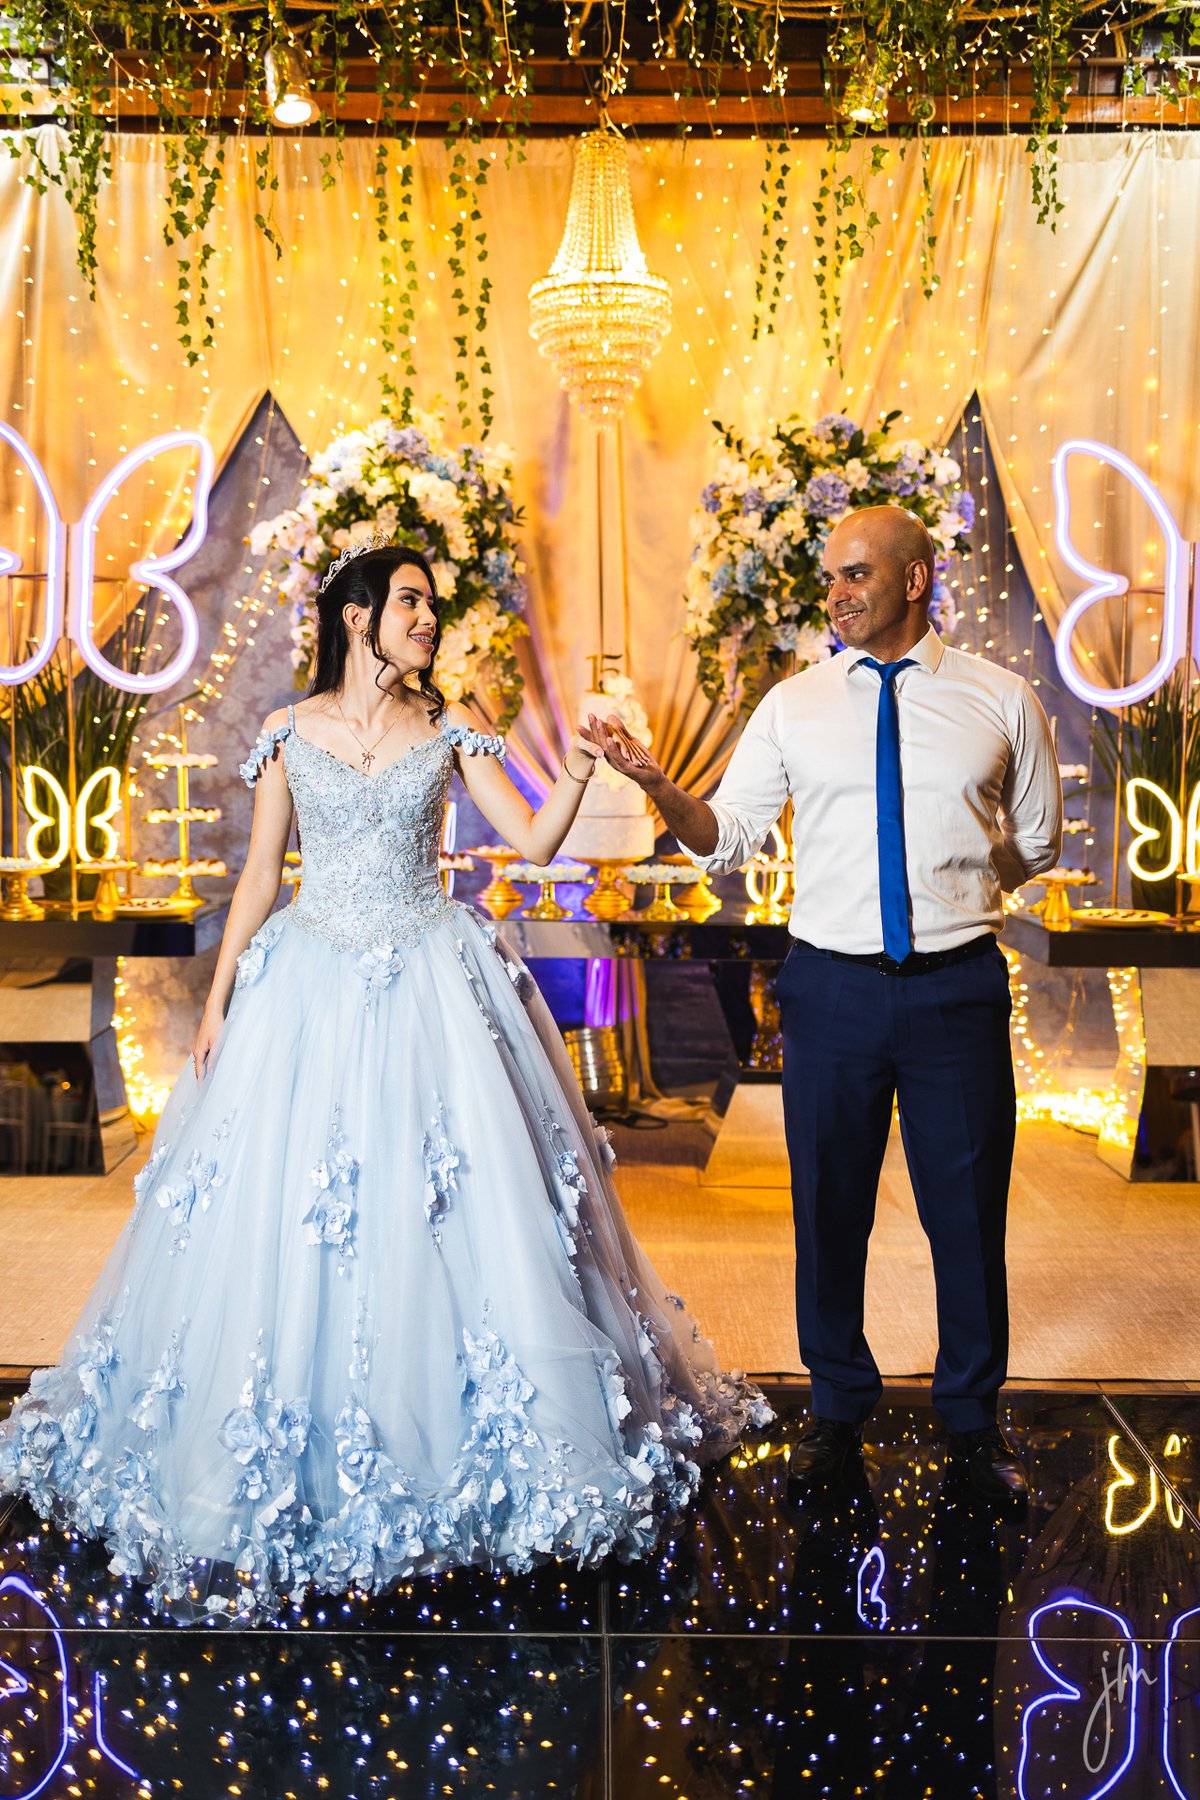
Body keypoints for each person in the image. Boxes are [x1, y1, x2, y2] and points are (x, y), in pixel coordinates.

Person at [0, 539, 770, 1622]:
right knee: (289, 1214)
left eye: (432, 606)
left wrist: (585, 766)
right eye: (412, 602)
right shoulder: (288, 732)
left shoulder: (449, 730)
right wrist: (220, 1000)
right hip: (307, 983)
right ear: (357, 616)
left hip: (431, 979)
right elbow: (260, 876)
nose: (429, 620)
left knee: (456, 1203)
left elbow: (532, 842)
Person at [588, 506, 1061, 1505]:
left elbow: (1038, 838)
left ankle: (972, 1420)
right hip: (830, 989)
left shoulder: (1000, 697)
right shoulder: (792, 705)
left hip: (958, 992)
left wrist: (962, 886)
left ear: (916, 579)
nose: (835, 594)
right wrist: (658, 786)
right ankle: (838, 1410)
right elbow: (728, 837)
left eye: (855, 574)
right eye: (830, 578)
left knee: (967, 1216)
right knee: (829, 1210)